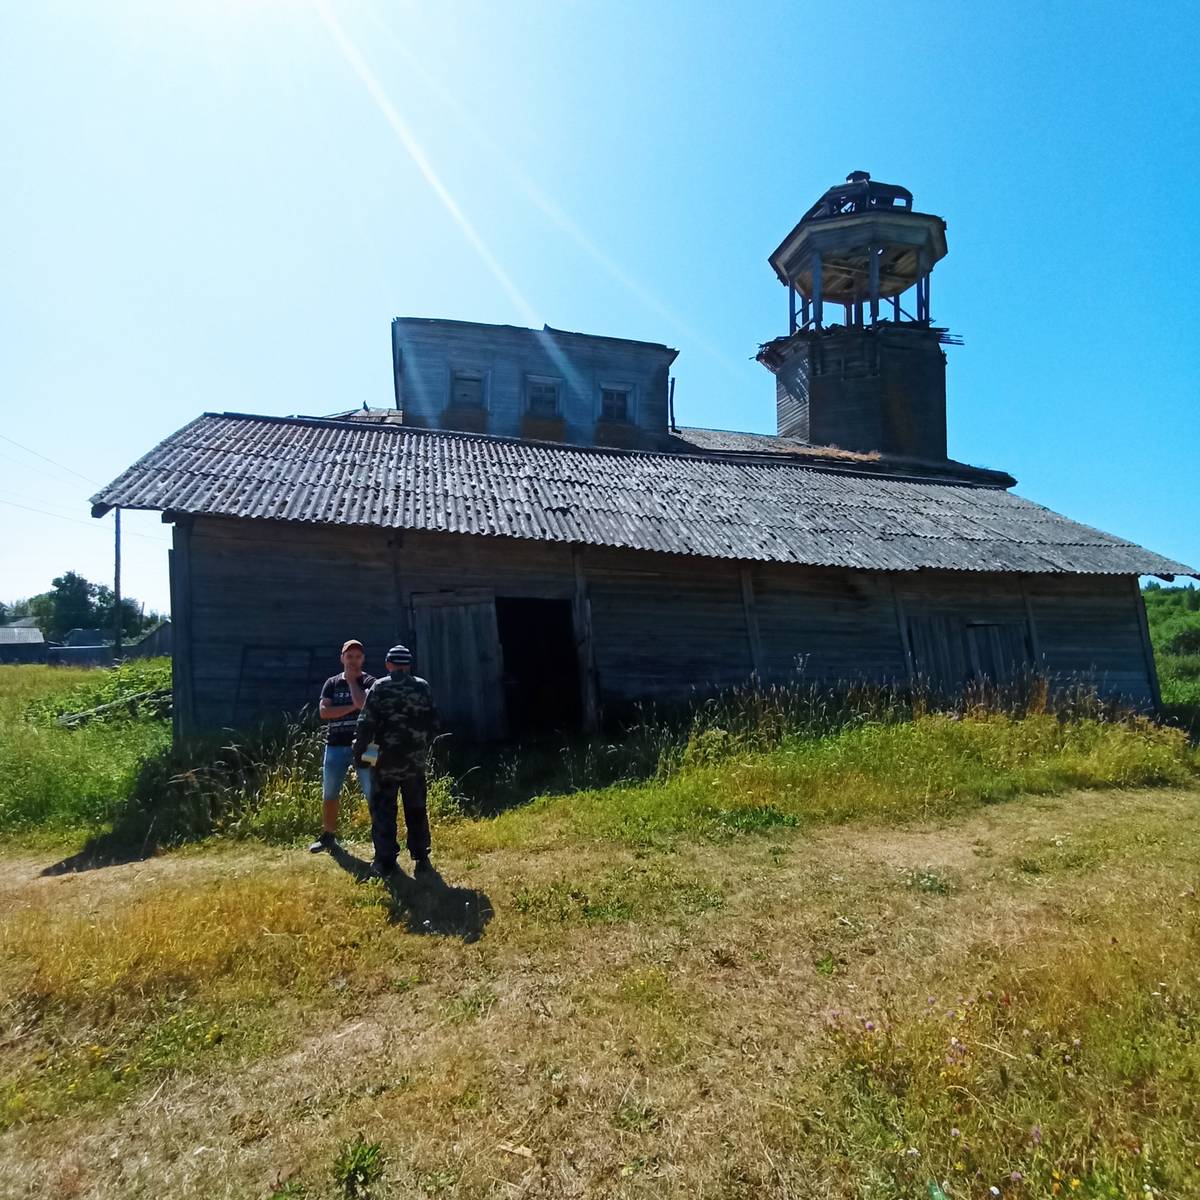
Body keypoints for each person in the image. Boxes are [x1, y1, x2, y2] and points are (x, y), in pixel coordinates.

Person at [352, 643, 439, 876]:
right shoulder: (422, 687)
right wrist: (421, 747)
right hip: (414, 762)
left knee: (383, 811)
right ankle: (422, 858)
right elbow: (434, 723)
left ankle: (385, 861)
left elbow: (366, 726)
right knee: (417, 809)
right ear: (408, 665)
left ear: (388, 665)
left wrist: (361, 756)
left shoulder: (379, 687)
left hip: (382, 762)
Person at [310, 639, 377, 853]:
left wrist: (351, 683)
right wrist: (352, 707)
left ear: (363, 659)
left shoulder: (370, 682)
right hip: (335, 745)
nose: (353, 661)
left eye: (358, 657)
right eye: (349, 656)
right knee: (329, 792)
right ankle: (328, 836)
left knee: (373, 792)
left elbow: (364, 704)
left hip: (368, 746)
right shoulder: (331, 683)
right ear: (342, 658)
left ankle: (380, 839)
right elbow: (324, 713)